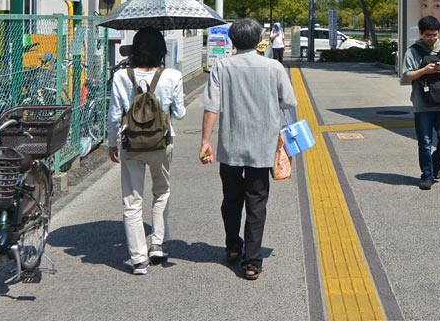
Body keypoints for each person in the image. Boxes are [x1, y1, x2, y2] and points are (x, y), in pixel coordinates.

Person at [200, 18, 297, 280]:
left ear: (232, 40)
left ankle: (233, 247)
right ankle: (252, 261)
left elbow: (212, 107)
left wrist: (205, 141)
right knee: (257, 202)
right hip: (262, 145)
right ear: (258, 40)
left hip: (230, 145)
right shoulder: (273, 67)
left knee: (231, 199)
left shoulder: (222, 67)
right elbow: (289, 101)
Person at [107, 28, 185, 275]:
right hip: (162, 143)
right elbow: (181, 113)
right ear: (162, 50)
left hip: (131, 144)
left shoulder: (121, 76)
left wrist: (111, 143)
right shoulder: (172, 75)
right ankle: (157, 245)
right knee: (161, 191)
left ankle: (139, 259)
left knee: (132, 200)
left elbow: (113, 116)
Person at [401, 15, 440, 190]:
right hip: (422, 105)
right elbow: (406, 75)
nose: (431, 38)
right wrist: (424, 70)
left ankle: (436, 163)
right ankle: (427, 175)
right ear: (420, 33)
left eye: (434, 35)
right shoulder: (413, 51)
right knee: (425, 142)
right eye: (428, 35)